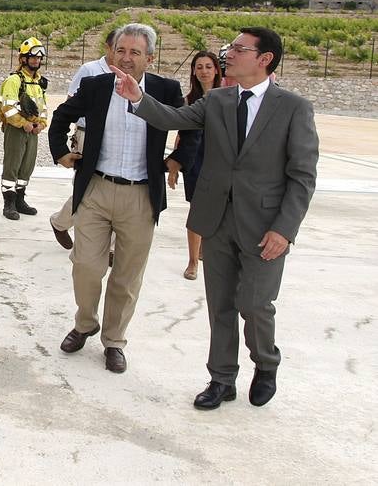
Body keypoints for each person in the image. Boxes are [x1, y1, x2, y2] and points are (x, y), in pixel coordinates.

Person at [121, 28, 318, 410]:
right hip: (217, 220)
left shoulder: (293, 108)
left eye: (239, 49)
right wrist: (138, 98)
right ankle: (222, 378)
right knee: (220, 306)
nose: (230, 54)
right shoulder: (217, 100)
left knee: (256, 305)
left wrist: (285, 229)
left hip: (265, 228)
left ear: (264, 59)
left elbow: (302, 176)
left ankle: (266, 362)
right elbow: (173, 116)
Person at [47, 23, 196, 374]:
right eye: (120, 50)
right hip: (97, 188)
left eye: (135, 53)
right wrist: (60, 152)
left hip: (141, 195)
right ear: (111, 52)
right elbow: (60, 118)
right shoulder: (94, 86)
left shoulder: (165, 89)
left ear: (150, 58)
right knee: (86, 266)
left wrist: (177, 159)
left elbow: (191, 126)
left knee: (127, 276)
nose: (126, 58)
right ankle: (85, 324)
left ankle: (114, 341)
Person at [49, 28, 117, 248]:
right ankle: (61, 222)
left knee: (115, 187)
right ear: (108, 47)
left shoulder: (131, 74)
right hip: (88, 134)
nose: (125, 56)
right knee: (87, 186)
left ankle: (111, 247)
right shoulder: (90, 70)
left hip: (114, 137)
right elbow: (70, 102)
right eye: (119, 48)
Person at [168, 50, 220, 280]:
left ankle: (205, 251)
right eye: (199, 67)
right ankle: (192, 261)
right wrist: (176, 163)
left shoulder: (229, 96)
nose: (204, 71)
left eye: (208, 66)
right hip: (196, 158)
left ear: (216, 69)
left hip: (220, 158)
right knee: (197, 209)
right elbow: (182, 133)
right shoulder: (189, 100)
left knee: (219, 209)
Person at [0, 38, 49, 221]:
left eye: (38, 57)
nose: (36, 60)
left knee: (27, 166)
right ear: (23, 59)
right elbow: (8, 108)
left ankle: (20, 200)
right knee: (12, 166)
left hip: (32, 131)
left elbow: (43, 107)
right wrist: (22, 123)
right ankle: (9, 204)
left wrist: (42, 123)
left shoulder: (38, 83)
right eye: (31, 57)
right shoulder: (14, 80)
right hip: (17, 130)